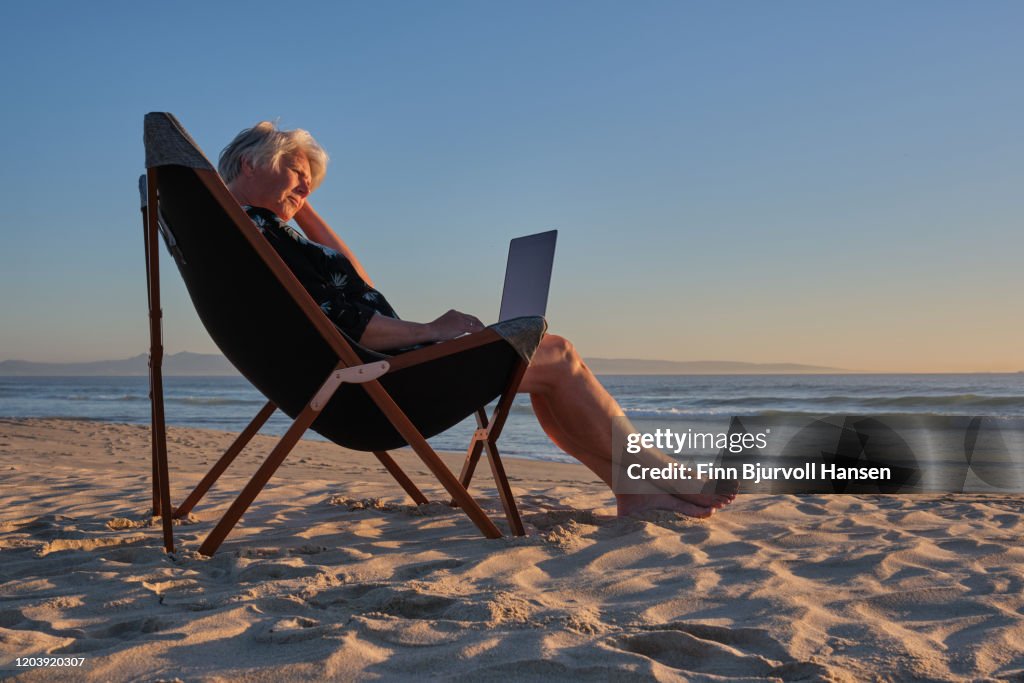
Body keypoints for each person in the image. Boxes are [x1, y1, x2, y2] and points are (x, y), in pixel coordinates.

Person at [219, 121, 735, 518]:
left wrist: (298, 198)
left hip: (357, 381)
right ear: (248, 164)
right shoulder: (260, 234)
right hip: (378, 385)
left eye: (311, 186)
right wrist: (432, 331)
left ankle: (636, 494)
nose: (306, 190)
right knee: (556, 354)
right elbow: (344, 319)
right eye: (298, 176)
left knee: (547, 363)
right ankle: (667, 477)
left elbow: (354, 282)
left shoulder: (248, 235)